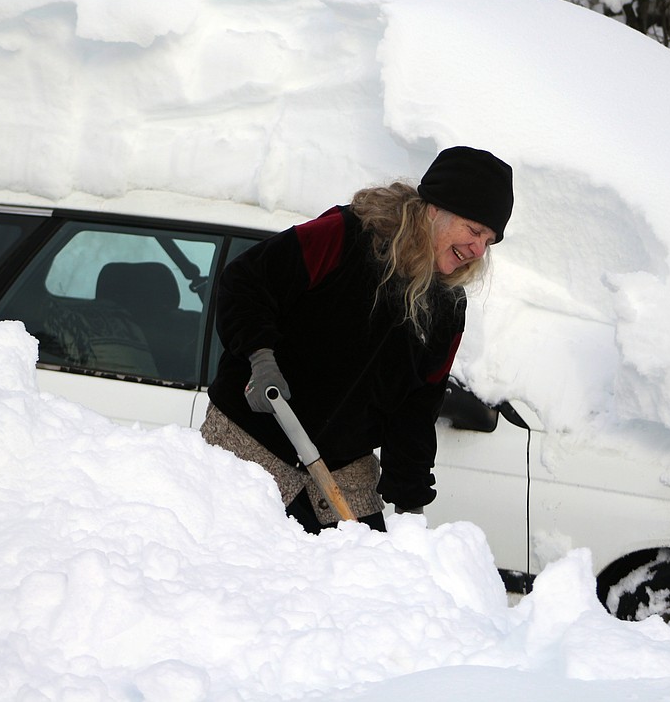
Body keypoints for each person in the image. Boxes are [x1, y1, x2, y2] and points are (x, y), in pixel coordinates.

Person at [201, 146, 514, 533]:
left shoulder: (447, 307)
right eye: (474, 231)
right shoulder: (346, 236)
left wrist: (410, 501)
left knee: (364, 584)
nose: (478, 249)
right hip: (251, 445)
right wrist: (260, 356)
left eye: (489, 240)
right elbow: (246, 282)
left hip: (343, 474)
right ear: (435, 209)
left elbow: (417, 406)